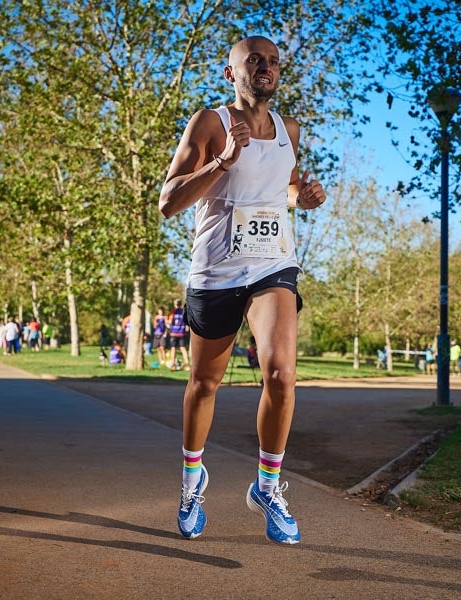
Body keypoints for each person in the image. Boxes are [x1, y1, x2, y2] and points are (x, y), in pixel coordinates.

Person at [159, 36, 326, 544]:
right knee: (204, 385)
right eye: (254, 60)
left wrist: (305, 196)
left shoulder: (289, 130)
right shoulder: (209, 123)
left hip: (273, 265)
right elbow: (168, 202)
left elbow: (283, 188)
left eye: (273, 61)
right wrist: (222, 162)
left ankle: (268, 486)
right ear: (230, 73)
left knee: (281, 375)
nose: (266, 68)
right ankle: (192, 483)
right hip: (215, 271)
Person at [166, 299, 191, 371]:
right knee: (183, 348)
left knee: (173, 348)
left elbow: (170, 322)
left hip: (174, 332)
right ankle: (187, 364)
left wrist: (167, 323)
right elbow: (187, 323)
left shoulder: (173, 312)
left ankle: (173, 363)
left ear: (175, 304)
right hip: (182, 332)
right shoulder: (184, 311)